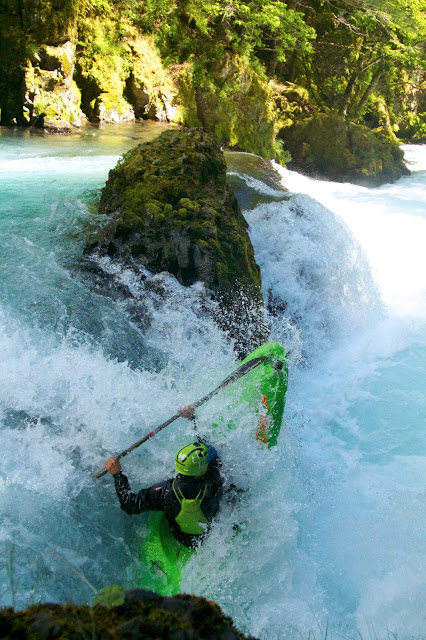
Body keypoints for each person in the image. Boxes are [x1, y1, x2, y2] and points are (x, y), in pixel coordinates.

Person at [105, 405, 223, 548]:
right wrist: (193, 419)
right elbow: (210, 449)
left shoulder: (165, 492)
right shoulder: (214, 479)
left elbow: (129, 505)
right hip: (212, 533)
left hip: (186, 540)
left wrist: (117, 475)